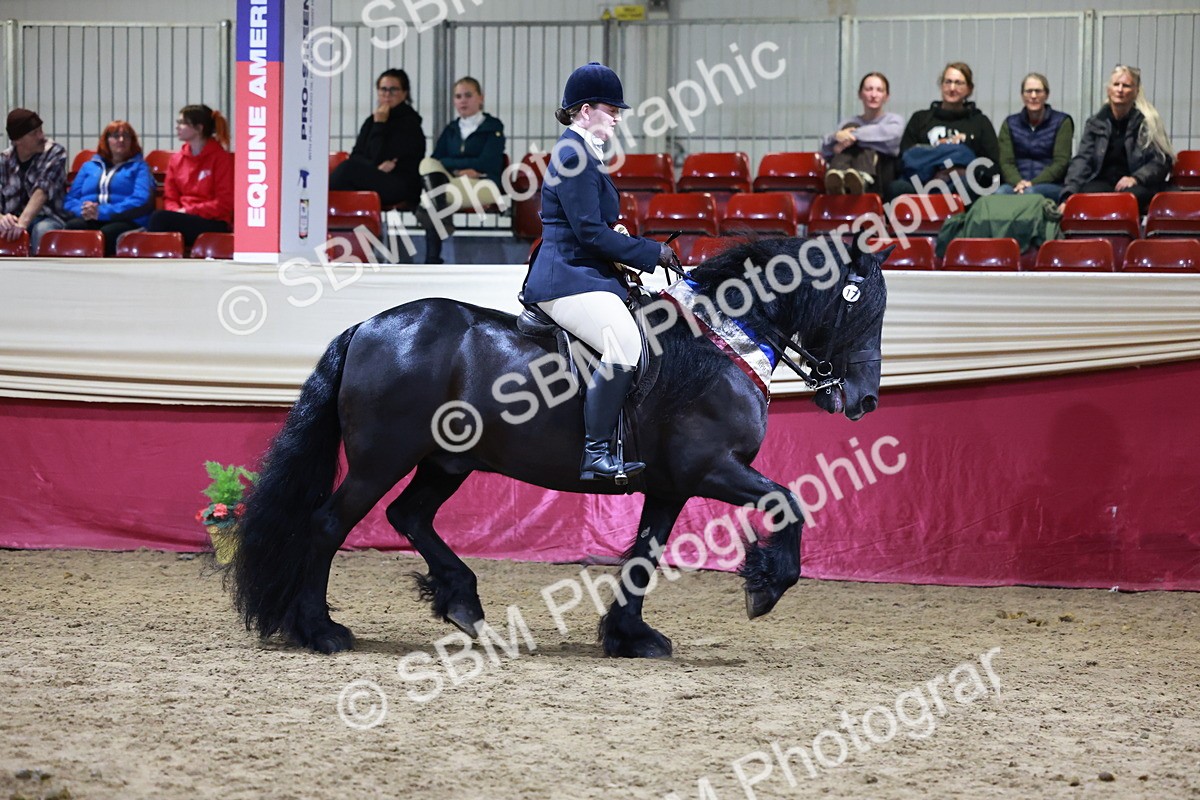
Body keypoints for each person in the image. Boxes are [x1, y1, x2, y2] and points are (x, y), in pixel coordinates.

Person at [522, 62, 680, 483]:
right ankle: (595, 455)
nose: (617, 117)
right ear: (585, 109)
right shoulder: (573, 154)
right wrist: (652, 252)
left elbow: (594, 225)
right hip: (566, 277)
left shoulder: (585, 153)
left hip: (584, 272)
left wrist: (622, 236)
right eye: (612, 109)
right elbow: (589, 235)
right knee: (624, 344)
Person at [1058, 65, 1173, 215]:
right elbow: (1082, 161)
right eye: (1116, 85)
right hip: (1102, 182)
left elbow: (1161, 160)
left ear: (1136, 91)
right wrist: (1068, 195)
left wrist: (1136, 178)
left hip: (1137, 184)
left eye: (1126, 86)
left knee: (1128, 198)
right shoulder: (1095, 122)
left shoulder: (1147, 123)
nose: (1120, 90)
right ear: (1108, 89)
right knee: (1085, 196)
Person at [417, 76, 507, 263]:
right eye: (458, 96)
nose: (463, 100)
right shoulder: (451, 129)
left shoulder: (493, 128)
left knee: (430, 199)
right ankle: (440, 227)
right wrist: (460, 170)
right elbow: (436, 160)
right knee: (426, 164)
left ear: (480, 98)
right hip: (454, 182)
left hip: (485, 183)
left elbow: (488, 163)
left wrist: (454, 165)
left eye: (468, 95)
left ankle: (432, 258)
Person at [886, 62, 1000, 201]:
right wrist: (932, 172)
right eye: (948, 82)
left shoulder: (980, 122)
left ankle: (955, 222)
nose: (952, 88)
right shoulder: (920, 118)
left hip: (959, 185)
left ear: (969, 89)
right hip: (921, 184)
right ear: (941, 85)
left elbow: (992, 166)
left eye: (959, 83)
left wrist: (961, 172)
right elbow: (904, 160)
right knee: (896, 188)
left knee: (970, 186)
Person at [329, 68, 425, 210]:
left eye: (393, 90)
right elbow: (357, 155)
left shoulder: (409, 123)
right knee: (346, 175)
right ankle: (352, 227)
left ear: (404, 93)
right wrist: (375, 167)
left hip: (400, 184)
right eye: (383, 89)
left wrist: (380, 125)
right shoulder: (371, 121)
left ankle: (317, 213)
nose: (387, 94)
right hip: (375, 177)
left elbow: (381, 156)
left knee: (347, 170)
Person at [63, 120, 156, 255]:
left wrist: (102, 212)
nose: (121, 140)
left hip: (126, 219)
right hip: (91, 217)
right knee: (74, 227)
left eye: (126, 136)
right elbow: (70, 200)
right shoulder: (88, 167)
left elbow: (142, 200)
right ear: (106, 140)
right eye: (115, 136)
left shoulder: (140, 167)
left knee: (107, 233)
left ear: (132, 141)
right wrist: (83, 210)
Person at [146, 104, 234, 248]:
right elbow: (170, 196)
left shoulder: (221, 159)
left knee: (159, 219)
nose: (178, 127)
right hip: (183, 216)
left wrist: (189, 211)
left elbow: (224, 203)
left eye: (183, 123)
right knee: (160, 218)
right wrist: (176, 211)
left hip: (213, 221)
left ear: (199, 128)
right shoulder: (176, 159)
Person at [819, 72, 902, 195]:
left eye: (879, 90)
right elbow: (825, 149)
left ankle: (860, 178)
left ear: (886, 96)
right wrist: (835, 136)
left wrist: (853, 138)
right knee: (851, 126)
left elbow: (891, 143)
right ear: (860, 94)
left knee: (860, 141)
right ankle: (838, 178)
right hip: (848, 171)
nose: (873, 95)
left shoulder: (893, 120)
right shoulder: (849, 122)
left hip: (880, 175)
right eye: (869, 89)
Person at [996, 73, 1073, 199]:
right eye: (1028, 91)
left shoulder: (1062, 122)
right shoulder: (1010, 123)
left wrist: (1032, 184)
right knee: (1000, 194)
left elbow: (1061, 162)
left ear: (1046, 95)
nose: (1033, 96)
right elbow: (1006, 162)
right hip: (1016, 184)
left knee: (1030, 194)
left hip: (1051, 185)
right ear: (1022, 95)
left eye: (1038, 91)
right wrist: (1019, 182)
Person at [0, 108, 67, 254]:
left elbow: (42, 191)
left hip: (48, 217)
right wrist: (2, 219)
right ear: (17, 140)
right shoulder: (3, 160)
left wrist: (21, 224)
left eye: (40, 130)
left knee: (42, 230)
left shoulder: (55, 153)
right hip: (12, 218)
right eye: (34, 133)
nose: (41, 136)